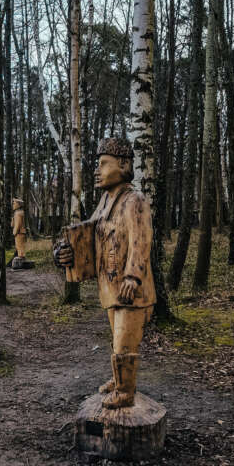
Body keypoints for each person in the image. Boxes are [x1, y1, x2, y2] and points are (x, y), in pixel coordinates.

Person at [54, 136, 155, 409]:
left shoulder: (134, 201)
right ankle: (119, 379)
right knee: (117, 338)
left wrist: (133, 276)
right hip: (111, 287)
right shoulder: (105, 202)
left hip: (131, 290)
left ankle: (125, 391)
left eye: (103, 164)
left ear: (122, 165)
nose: (97, 170)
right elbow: (87, 235)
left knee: (124, 341)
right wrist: (65, 252)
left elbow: (141, 241)